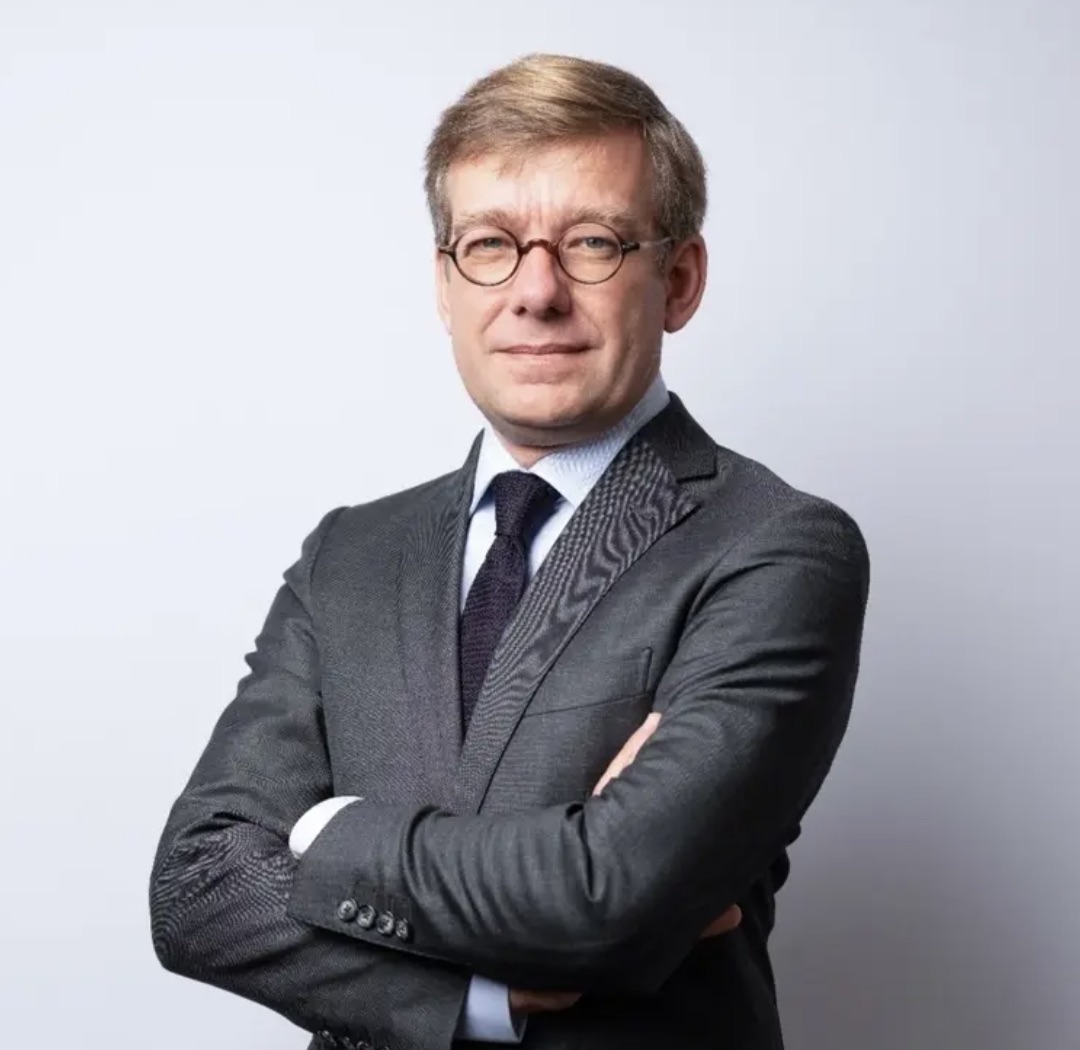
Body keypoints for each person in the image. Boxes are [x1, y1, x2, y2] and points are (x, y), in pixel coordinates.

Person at [150, 53, 870, 1050]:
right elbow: (196, 889)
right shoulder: (349, 555)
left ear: (680, 280)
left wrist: (320, 833)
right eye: (490, 244)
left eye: (592, 243)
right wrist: (480, 993)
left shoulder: (777, 547)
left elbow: (607, 895)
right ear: (445, 285)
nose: (536, 292)